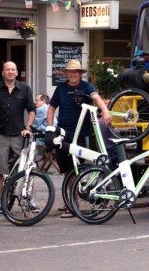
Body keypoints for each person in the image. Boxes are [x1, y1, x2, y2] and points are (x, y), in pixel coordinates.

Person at [47, 59, 111, 218]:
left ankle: (73, 205)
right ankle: (70, 200)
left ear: (79, 74)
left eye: (76, 72)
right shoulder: (61, 88)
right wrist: (51, 127)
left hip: (82, 133)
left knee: (77, 168)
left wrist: (105, 110)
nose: (73, 74)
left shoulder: (86, 86)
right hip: (64, 133)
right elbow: (51, 108)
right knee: (67, 169)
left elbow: (96, 97)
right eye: (71, 72)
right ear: (66, 74)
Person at [0, 61, 35, 214]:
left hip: (19, 134)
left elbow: (31, 110)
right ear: (2, 72)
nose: (10, 72)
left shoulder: (25, 88)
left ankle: (28, 197)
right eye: (7, 69)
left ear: (17, 72)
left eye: (13, 69)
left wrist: (28, 127)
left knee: (26, 168)